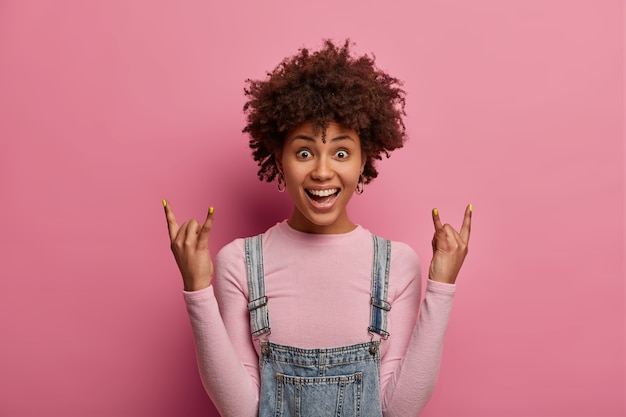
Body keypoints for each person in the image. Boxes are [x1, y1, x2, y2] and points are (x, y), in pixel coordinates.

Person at [163, 39, 471, 417]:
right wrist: (197, 291)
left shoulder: (396, 263)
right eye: (304, 152)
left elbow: (398, 409)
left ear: (363, 161)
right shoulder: (240, 262)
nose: (322, 171)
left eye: (341, 153)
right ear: (279, 160)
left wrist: (442, 286)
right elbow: (241, 410)